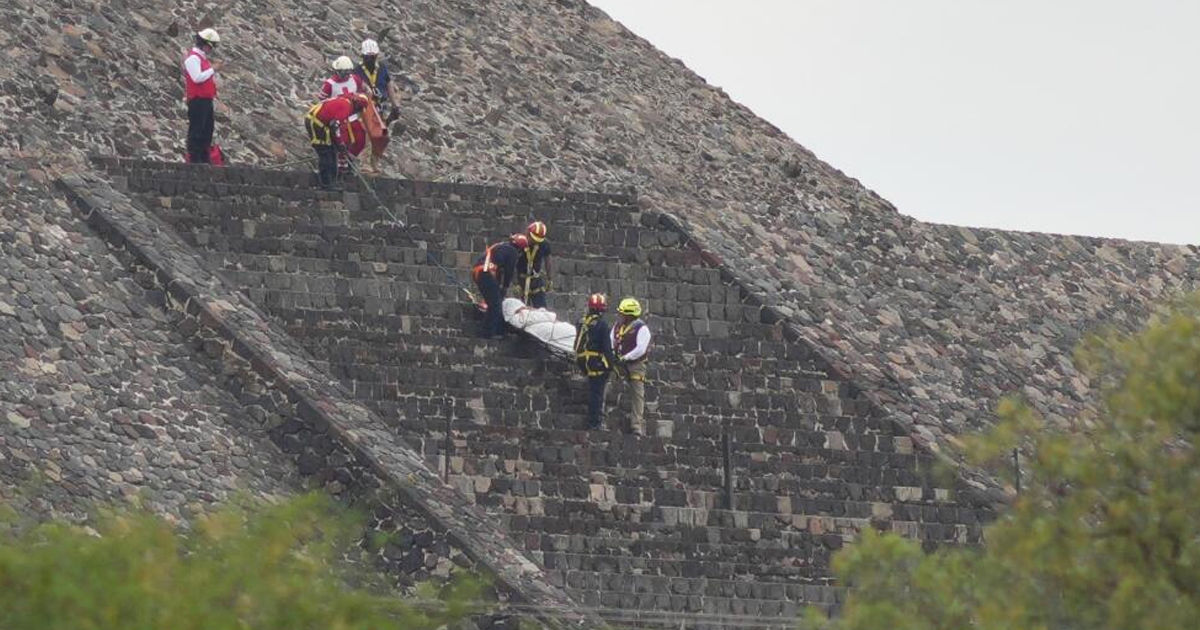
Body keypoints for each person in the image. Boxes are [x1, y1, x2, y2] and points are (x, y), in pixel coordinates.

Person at [354, 39, 402, 170]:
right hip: (365, 106)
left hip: (380, 107)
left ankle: (375, 162)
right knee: (367, 134)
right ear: (363, 56)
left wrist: (395, 105)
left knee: (382, 136)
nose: (370, 59)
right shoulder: (357, 70)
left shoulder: (382, 69)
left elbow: (389, 85)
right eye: (368, 57)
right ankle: (364, 164)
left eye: (372, 57)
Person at [305, 93, 369, 190]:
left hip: (320, 123)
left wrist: (340, 145)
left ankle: (329, 182)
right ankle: (327, 184)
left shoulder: (344, 102)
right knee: (326, 152)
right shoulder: (346, 107)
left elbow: (337, 127)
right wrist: (340, 143)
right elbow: (334, 125)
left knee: (331, 151)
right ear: (357, 107)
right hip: (317, 123)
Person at [472, 234, 528, 339]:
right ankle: (488, 333)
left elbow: (497, 269)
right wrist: (505, 287)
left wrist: (498, 287)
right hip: (485, 273)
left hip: (478, 271)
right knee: (495, 305)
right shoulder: (513, 252)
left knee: (494, 302)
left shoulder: (501, 247)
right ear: (521, 249)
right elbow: (509, 271)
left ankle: (496, 330)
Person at [611, 298, 652, 435]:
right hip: (618, 362)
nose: (619, 316)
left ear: (629, 315)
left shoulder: (642, 328)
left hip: (636, 364)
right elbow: (611, 340)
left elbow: (640, 349)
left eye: (622, 314)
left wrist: (626, 357)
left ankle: (636, 425)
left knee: (637, 393)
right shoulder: (617, 326)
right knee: (608, 382)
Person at [574, 293, 615, 430]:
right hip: (596, 362)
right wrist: (610, 365)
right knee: (597, 393)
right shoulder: (602, 325)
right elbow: (606, 347)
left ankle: (593, 420)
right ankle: (594, 423)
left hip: (583, 360)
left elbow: (576, 344)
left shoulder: (581, 322)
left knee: (593, 390)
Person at [320, 56, 369, 170]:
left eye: (348, 72)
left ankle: (350, 161)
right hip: (339, 119)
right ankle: (341, 167)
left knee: (360, 141)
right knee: (342, 143)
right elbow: (322, 102)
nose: (346, 75)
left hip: (353, 117)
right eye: (343, 72)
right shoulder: (329, 84)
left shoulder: (355, 79)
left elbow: (365, 89)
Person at [182, 28, 220, 164]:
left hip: (206, 99)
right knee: (197, 129)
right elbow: (197, 77)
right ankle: (194, 157)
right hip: (198, 99)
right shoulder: (193, 58)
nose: (211, 50)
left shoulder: (201, 59)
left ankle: (204, 157)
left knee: (207, 129)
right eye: (210, 46)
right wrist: (212, 70)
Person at [516, 221, 552, 308]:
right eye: (533, 239)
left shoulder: (544, 244)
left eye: (537, 241)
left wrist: (549, 278)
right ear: (528, 234)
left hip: (535, 280)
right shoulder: (519, 243)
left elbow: (548, 260)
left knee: (542, 309)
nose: (535, 242)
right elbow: (512, 263)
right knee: (522, 309)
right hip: (521, 279)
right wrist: (515, 283)